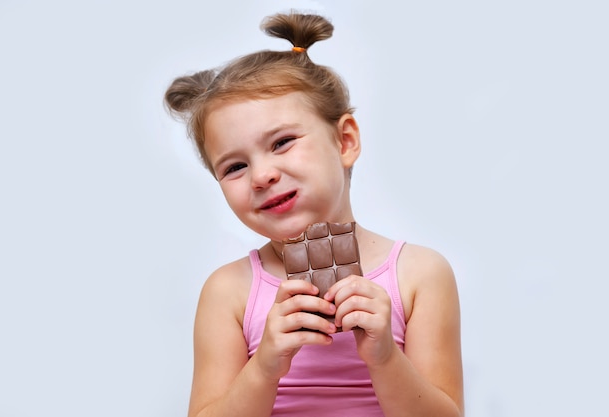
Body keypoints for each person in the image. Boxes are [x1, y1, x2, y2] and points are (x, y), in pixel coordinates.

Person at [164, 11, 464, 417]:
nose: (262, 176)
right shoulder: (228, 291)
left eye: (283, 142)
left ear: (344, 141)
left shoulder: (420, 274)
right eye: (235, 167)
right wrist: (265, 367)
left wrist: (386, 358)